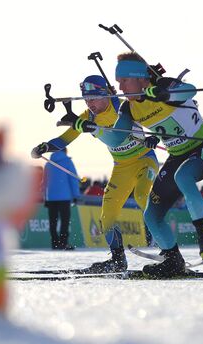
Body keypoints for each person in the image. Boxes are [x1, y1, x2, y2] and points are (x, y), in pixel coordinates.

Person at [75, 53, 203, 278]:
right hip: (176, 157)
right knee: (151, 215)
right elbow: (116, 139)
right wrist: (92, 129)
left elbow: (189, 90)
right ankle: (173, 260)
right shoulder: (128, 108)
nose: (120, 87)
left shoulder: (161, 85)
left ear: (137, 78)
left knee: (183, 177)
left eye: (123, 81)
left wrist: (167, 93)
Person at [32, 75, 158, 272]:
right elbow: (64, 139)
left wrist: (154, 137)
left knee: (142, 195)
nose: (89, 104)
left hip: (145, 160)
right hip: (122, 166)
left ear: (106, 95)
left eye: (93, 98)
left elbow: (154, 120)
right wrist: (45, 146)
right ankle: (118, 260)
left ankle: (169, 251)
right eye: (86, 99)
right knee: (106, 216)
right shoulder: (87, 117)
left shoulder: (124, 106)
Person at [42, 148, 80, 250]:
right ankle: (63, 243)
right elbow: (73, 179)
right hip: (64, 197)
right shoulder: (67, 162)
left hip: (51, 197)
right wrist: (76, 196)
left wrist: (45, 197)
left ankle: (55, 243)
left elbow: (44, 181)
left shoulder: (48, 163)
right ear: (65, 151)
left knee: (53, 222)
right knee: (65, 221)